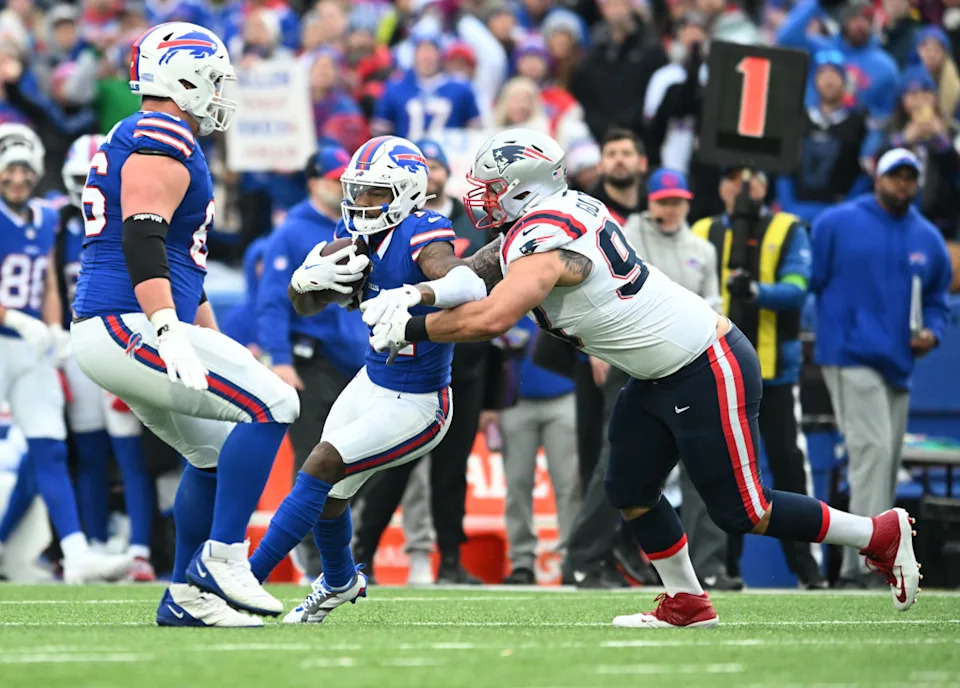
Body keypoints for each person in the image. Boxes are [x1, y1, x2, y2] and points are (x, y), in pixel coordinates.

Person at [365, 127, 922, 627]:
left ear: (525, 187)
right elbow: (471, 274)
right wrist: (398, 291)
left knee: (744, 510)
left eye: (492, 184)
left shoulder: (546, 242)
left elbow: (491, 316)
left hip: (705, 362)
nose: (478, 195)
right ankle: (687, 601)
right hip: (655, 374)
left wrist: (409, 328)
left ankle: (878, 534)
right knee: (628, 489)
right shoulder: (552, 215)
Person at [69, 22, 301, 628]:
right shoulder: (161, 132)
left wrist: (206, 335)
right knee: (276, 403)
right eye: (216, 79)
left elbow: (182, 262)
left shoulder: (165, 135)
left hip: (129, 323)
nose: (223, 92)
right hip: (127, 322)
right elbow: (142, 237)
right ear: (184, 75)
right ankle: (223, 559)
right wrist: (168, 329)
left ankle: (186, 598)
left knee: (215, 454)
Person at [247, 135, 490, 621]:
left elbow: (468, 283)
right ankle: (338, 580)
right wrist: (303, 283)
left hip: (421, 401)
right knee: (332, 494)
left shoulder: (424, 228)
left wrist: (416, 294)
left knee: (320, 464)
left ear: (406, 192)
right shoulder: (352, 231)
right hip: (373, 380)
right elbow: (310, 305)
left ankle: (244, 581)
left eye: (376, 193)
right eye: (357, 191)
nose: (361, 203)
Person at [348, 137, 499, 587]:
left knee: (453, 472)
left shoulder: (459, 224)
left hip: (466, 361)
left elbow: (485, 286)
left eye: (436, 164)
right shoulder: (386, 226)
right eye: (425, 164)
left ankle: (450, 558)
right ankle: (363, 551)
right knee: (393, 470)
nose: (432, 172)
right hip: (408, 358)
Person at [811, 148, 952, 588]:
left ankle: (876, 557)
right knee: (871, 452)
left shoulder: (928, 239)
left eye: (911, 177)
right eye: (896, 175)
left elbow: (937, 301)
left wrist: (933, 332)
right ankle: (859, 566)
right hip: (849, 354)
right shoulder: (836, 223)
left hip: (899, 361)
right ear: (877, 176)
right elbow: (812, 280)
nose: (903, 184)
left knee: (887, 461)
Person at [0, 123, 131, 584]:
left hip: (32, 347)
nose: (18, 179)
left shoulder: (47, 218)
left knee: (51, 448)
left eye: (24, 170)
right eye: (9, 170)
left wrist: (53, 326)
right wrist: (14, 317)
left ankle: (76, 553)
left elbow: (49, 282)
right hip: (4, 339)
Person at [693, 168, 827, 589]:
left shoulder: (788, 227)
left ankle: (808, 571)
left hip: (774, 373)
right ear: (720, 186)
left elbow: (798, 289)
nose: (740, 186)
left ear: (765, 185)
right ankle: (724, 568)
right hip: (717, 371)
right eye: (731, 177)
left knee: (788, 465)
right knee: (723, 469)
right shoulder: (703, 229)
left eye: (749, 178)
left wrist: (757, 293)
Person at [256, 145, 367, 578]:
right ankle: (313, 557)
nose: (340, 186)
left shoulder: (353, 225)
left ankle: (338, 554)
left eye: (345, 179)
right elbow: (271, 301)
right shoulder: (292, 231)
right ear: (312, 181)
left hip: (352, 361)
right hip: (310, 360)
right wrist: (280, 358)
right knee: (316, 461)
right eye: (332, 178)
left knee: (353, 460)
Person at [59, 133, 156, 581]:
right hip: (71, 343)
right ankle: (94, 544)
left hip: (121, 337)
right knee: (91, 451)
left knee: (129, 452)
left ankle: (139, 549)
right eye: (80, 179)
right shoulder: (56, 224)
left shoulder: (133, 221)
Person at [501, 315, 581, 585]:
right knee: (517, 484)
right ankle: (521, 561)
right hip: (515, 400)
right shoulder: (504, 295)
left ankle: (572, 557)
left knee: (569, 484)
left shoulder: (555, 294)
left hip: (564, 395)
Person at [777, 0, 898, 157]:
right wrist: (818, 4)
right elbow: (785, 38)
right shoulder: (821, 47)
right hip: (808, 132)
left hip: (851, 144)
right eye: (854, 17)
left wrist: (867, 154)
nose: (860, 24)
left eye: (867, 19)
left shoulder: (886, 68)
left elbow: (881, 118)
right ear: (843, 20)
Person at [776, 50, 871, 225]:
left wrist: (849, 208)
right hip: (797, 207)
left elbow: (864, 171)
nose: (829, 80)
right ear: (814, 79)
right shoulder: (798, 118)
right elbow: (783, 166)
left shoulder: (858, 122)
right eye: (823, 73)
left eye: (834, 73)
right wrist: (788, 205)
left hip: (839, 210)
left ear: (844, 80)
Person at [886, 65, 960, 240]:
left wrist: (940, 141)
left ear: (934, 98)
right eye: (912, 95)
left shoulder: (951, 130)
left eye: (925, 94)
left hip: (940, 221)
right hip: (894, 215)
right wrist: (903, 140)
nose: (919, 101)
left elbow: (956, 170)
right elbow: (876, 163)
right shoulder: (889, 128)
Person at [372, 32, 482, 140]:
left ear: (439, 55)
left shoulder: (461, 89)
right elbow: (380, 135)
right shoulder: (395, 89)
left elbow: (475, 133)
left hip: (451, 156)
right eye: (422, 51)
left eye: (431, 51)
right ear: (414, 55)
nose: (426, 57)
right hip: (406, 156)